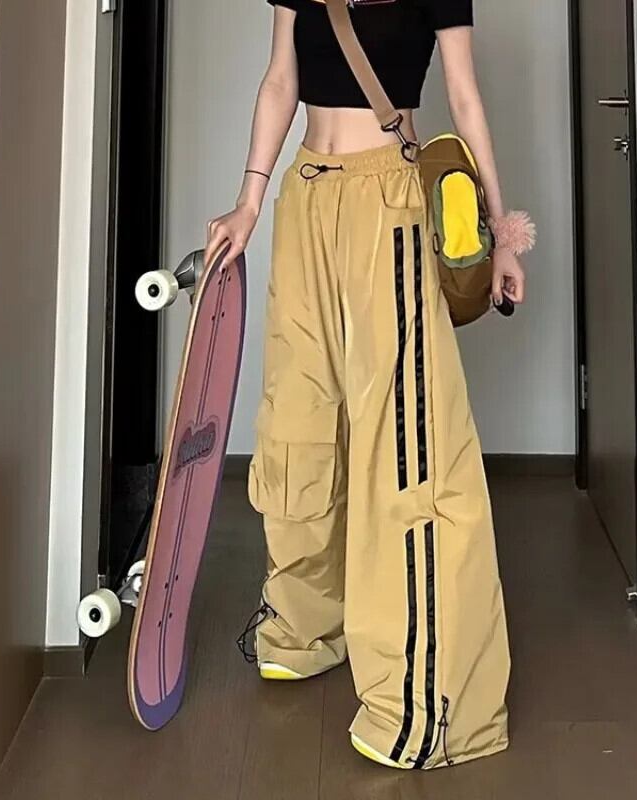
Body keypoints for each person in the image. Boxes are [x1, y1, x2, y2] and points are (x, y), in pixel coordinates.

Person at [205, 0, 527, 770]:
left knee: (405, 438)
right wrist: (250, 200)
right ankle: (306, 625)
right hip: (306, 194)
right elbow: (280, 79)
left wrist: (502, 234)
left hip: (390, 199)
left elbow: (465, 96)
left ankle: (427, 701)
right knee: (300, 410)